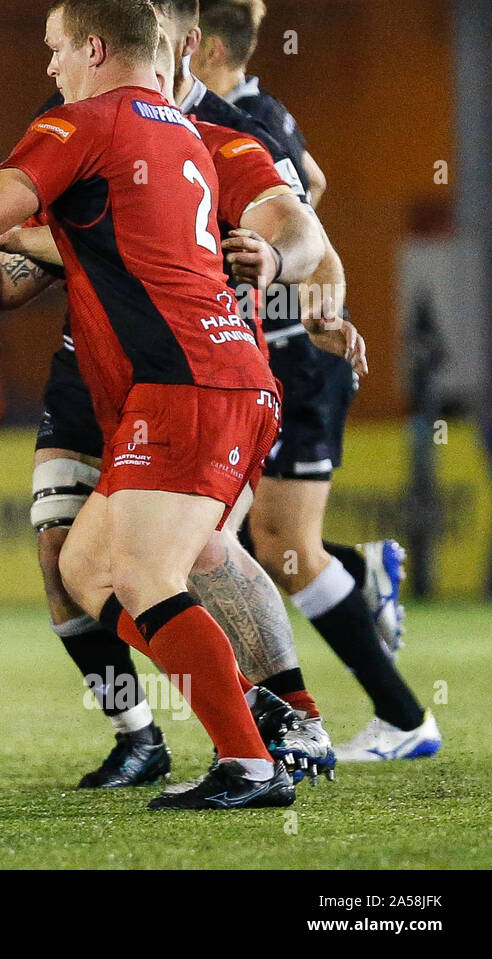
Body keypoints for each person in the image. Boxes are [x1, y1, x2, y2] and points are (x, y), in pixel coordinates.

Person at [0, 0, 305, 809]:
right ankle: (251, 709)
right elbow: (38, 253)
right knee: (86, 566)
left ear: (96, 47)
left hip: (187, 381)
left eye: (56, 48)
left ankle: (250, 759)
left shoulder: (90, 123)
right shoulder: (179, 133)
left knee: (149, 571)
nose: (49, 66)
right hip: (208, 375)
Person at [194, 0, 440, 761]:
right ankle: (362, 578)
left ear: (196, 45)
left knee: (273, 547)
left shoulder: (243, 118)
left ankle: (397, 716)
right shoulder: (262, 113)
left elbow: (305, 208)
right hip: (281, 351)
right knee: (254, 543)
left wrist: (292, 289)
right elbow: (316, 183)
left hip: (295, 356)